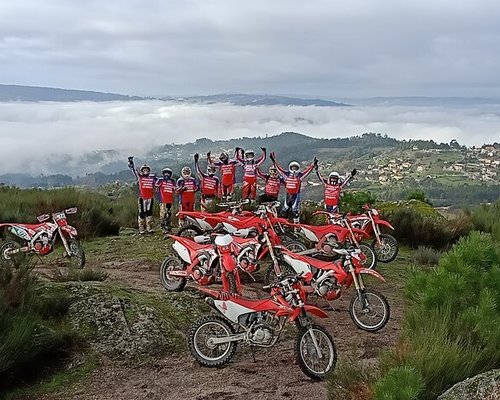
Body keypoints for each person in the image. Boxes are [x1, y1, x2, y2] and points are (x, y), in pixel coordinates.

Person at [270, 152, 317, 223]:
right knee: (284, 209)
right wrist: (273, 161)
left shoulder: (300, 176)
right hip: (288, 195)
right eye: (293, 167)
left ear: (298, 168)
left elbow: (307, 171)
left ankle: (296, 226)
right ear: (290, 168)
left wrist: (313, 165)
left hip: (296, 195)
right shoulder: (286, 175)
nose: (294, 169)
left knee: (295, 210)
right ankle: (283, 223)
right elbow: (279, 169)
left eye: (295, 168)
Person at [128, 156, 156, 234]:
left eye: (147, 170)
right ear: (142, 171)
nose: (145, 171)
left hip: (150, 198)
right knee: (142, 213)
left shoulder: (152, 178)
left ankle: (149, 228)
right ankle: (141, 229)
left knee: (149, 213)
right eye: (144, 170)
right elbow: (134, 171)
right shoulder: (140, 177)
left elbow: (158, 183)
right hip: (142, 198)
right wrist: (131, 163)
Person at [155, 167, 176, 232]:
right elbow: (156, 185)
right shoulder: (161, 180)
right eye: (165, 173)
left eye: (168, 173)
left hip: (170, 200)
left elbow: (175, 188)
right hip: (163, 200)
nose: (167, 175)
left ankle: (168, 225)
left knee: (169, 213)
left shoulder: (172, 181)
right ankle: (163, 226)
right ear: (163, 174)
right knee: (163, 213)